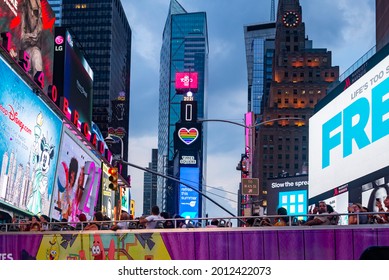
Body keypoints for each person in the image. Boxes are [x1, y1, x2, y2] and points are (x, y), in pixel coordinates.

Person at [21, 0, 43, 77]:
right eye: (33, 11)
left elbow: (34, 37)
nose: (34, 16)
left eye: (36, 12)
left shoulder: (35, 52)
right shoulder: (22, 16)